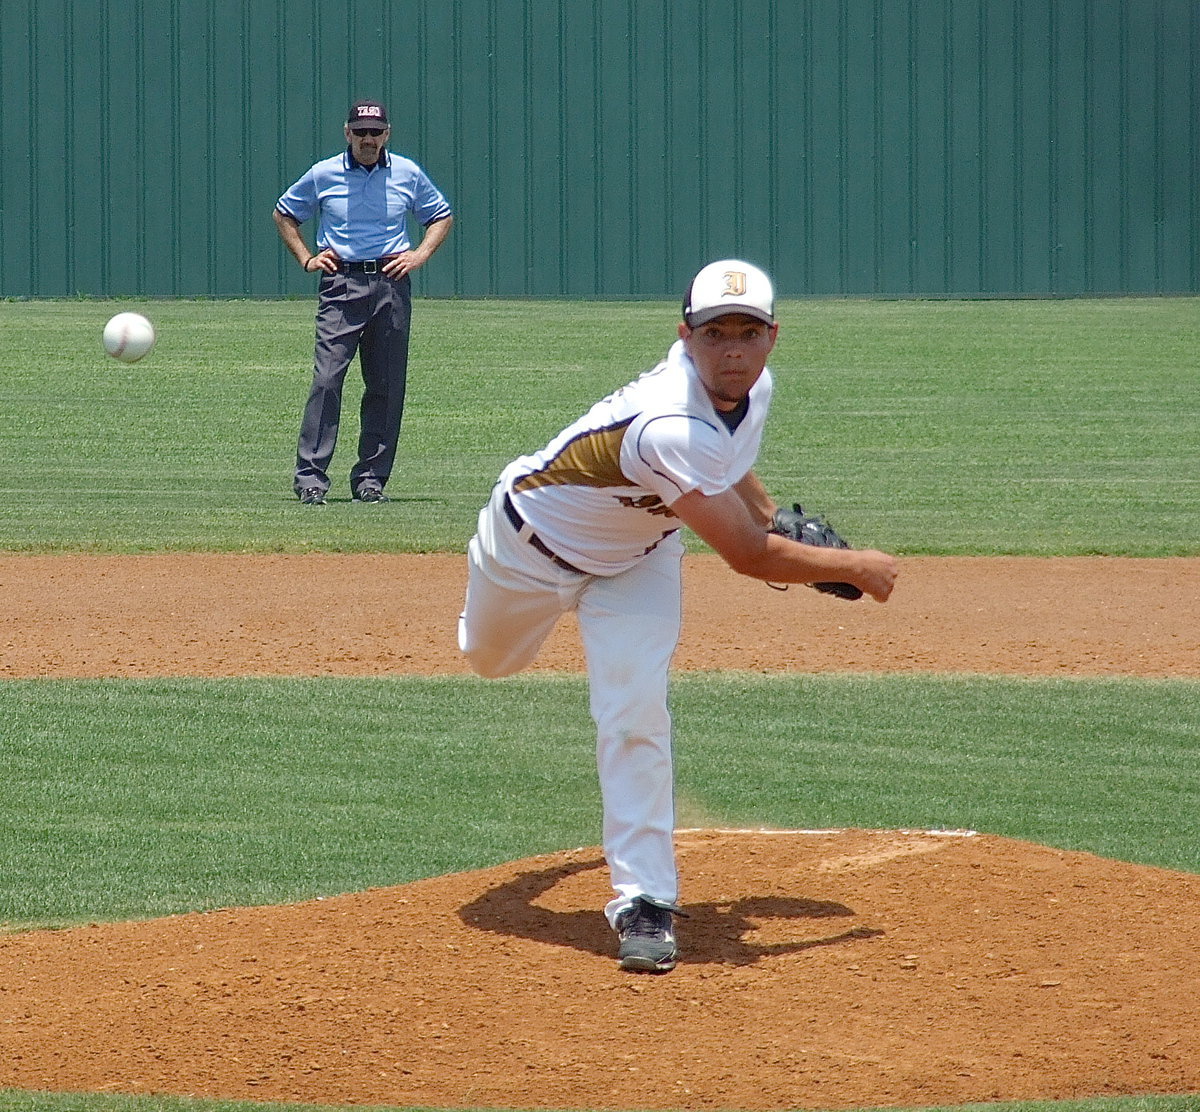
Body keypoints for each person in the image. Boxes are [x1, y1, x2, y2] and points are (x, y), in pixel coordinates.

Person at [458, 259, 898, 974]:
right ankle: (493, 619)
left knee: (634, 713)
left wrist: (772, 511)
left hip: (638, 560)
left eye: (748, 333)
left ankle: (645, 903)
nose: (733, 350)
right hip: (527, 548)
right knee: (488, 658)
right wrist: (853, 566)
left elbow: (725, 465)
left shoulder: (751, 391)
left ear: (772, 337)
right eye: (716, 332)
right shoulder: (665, 420)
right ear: (685, 335)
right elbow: (751, 557)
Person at [274, 100, 454, 505]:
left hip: (391, 284)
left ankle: (371, 481)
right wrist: (307, 258)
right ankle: (311, 481)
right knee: (327, 381)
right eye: (360, 132)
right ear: (347, 133)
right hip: (341, 284)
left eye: (375, 132)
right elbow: (284, 213)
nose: (368, 140)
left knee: (386, 386)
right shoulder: (324, 173)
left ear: (387, 134)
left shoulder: (407, 172)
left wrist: (420, 255)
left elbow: (440, 214)